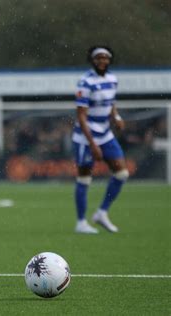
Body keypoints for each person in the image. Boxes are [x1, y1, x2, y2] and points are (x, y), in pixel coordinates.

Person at [72, 45, 129, 234]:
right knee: (84, 178)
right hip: (86, 137)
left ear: (110, 60)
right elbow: (81, 116)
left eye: (105, 57)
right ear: (92, 60)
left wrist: (117, 117)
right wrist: (92, 144)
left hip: (105, 134)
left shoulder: (113, 79)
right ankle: (81, 222)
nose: (102, 61)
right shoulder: (85, 82)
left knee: (121, 174)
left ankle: (102, 212)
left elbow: (111, 103)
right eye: (98, 58)